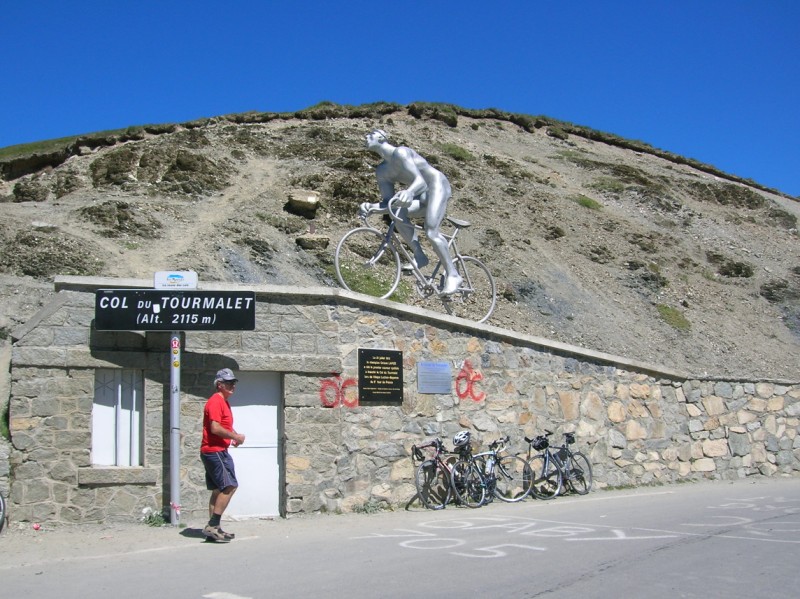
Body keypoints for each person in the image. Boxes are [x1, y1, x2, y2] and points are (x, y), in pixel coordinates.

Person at [359, 129, 463, 295]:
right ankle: (419, 255)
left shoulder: (400, 152)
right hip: (420, 196)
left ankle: (453, 275)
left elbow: (420, 181)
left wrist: (409, 192)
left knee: (431, 232)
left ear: (381, 137)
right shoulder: (382, 171)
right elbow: (388, 203)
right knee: (397, 213)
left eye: (369, 135)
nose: (365, 137)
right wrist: (371, 207)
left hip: (436, 186)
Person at [200, 368, 245, 542]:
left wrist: (233, 436)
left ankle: (214, 529)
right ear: (219, 385)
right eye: (228, 383)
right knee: (230, 486)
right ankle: (212, 525)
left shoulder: (223, 402)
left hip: (215, 450)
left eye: (233, 382)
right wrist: (235, 436)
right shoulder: (216, 401)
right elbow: (215, 428)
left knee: (218, 490)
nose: (233, 386)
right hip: (215, 451)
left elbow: (223, 425)